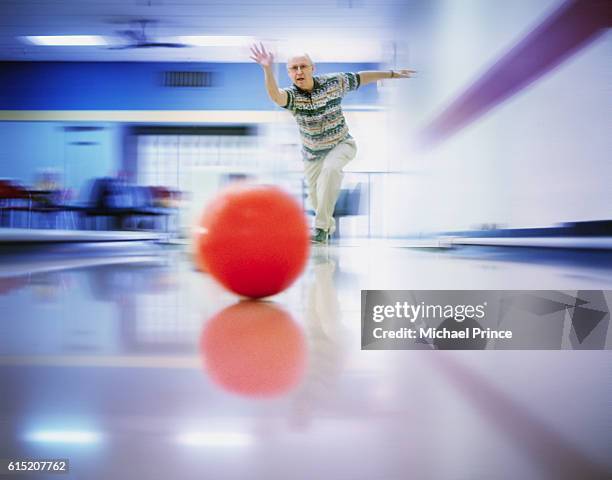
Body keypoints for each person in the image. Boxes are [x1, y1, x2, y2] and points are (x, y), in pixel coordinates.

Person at [250, 43, 415, 243]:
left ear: (313, 68)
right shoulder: (292, 96)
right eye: (294, 68)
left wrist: (392, 74)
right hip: (312, 155)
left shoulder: (333, 83)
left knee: (330, 170)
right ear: (289, 73)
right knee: (317, 199)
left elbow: (362, 77)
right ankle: (327, 228)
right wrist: (267, 68)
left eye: (304, 66)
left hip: (342, 144)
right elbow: (276, 96)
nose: (299, 71)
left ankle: (320, 229)